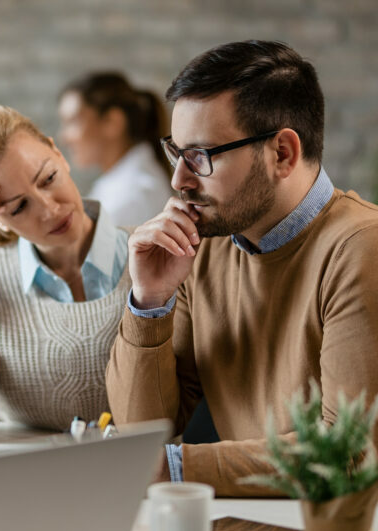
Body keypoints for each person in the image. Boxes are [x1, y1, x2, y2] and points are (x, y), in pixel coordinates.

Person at [107, 40, 378, 496]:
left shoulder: (361, 248)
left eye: (201, 155)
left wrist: (175, 468)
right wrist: (149, 302)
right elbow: (141, 435)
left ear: (283, 154)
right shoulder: (203, 247)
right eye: (177, 152)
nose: (178, 180)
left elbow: (350, 453)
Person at [0, 105, 131, 441]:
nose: (50, 209)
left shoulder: (151, 257)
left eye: (48, 178)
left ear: (58, 154)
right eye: (18, 206)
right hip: (28, 480)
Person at [58, 72, 173, 226]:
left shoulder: (133, 197)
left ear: (113, 122)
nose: (63, 138)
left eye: (73, 122)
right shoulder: (117, 183)